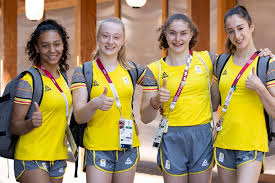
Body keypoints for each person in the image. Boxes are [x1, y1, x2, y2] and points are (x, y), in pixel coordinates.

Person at [140, 13, 216, 183]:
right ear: (165, 34)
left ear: (191, 35)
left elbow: (238, 63)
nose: (178, 38)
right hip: (171, 135)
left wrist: (262, 55)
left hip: (201, 135)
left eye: (183, 33)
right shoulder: (154, 69)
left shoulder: (207, 60)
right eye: (172, 33)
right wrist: (156, 101)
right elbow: (145, 118)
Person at [71, 17, 145, 183]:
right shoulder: (83, 71)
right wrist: (94, 104)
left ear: (123, 40)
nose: (110, 41)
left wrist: (155, 102)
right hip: (98, 148)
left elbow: (156, 79)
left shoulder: (132, 69)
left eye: (116, 37)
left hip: (128, 146)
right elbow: (79, 116)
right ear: (98, 37)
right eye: (105, 36)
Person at [212, 5, 275, 183]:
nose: (237, 36)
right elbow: (212, 102)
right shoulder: (221, 62)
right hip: (224, 143)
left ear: (251, 26)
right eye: (231, 31)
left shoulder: (267, 62)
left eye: (241, 29)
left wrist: (259, 88)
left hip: (252, 145)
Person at [10, 19, 72, 183]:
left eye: (56, 44)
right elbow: (15, 126)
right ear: (37, 48)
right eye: (45, 45)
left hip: (58, 156)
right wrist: (31, 123)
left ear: (63, 45)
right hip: (32, 156)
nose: (52, 50)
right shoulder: (29, 81)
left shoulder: (63, 77)